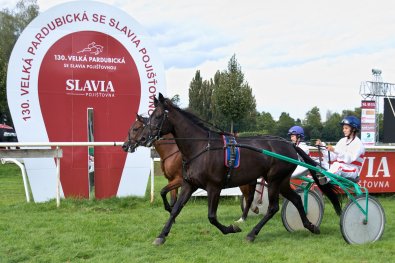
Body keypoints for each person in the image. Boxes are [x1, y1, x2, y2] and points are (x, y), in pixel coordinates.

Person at [316, 116, 365, 184]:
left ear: (353, 129)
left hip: (352, 170)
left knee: (337, 165)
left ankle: (324, 180)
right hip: (341, 168)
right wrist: (322, 147)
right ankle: (316, 177)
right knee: (319, 161)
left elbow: (349, 159)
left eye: (346, 128)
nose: (343, 130)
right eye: (343, 128)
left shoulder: (358, 144)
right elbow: (332, 157)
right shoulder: (342, 141)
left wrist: (335, 150)